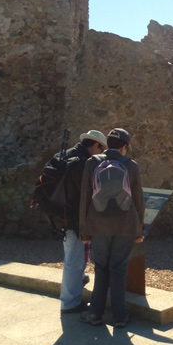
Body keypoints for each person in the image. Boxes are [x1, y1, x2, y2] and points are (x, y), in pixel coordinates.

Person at [79, 128, 145, 328]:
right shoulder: (131, 165)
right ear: (124, 146)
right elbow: (138, 200)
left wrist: (84, 231)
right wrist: (139, 230)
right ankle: (119, 316)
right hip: (125, 226)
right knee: (119, 269)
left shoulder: (92, 163)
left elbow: (85, 197)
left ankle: (94, 314)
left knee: (101, 269)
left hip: (98, 225)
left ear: (107, 144)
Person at [58, 129, 108, 314]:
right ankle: (70, 303)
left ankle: (75, 288)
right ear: (95, 145)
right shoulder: (82, 163)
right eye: (101, 150)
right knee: (74, 260)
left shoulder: (67, 155)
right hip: (73, 218)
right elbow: (86, 195)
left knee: (73, 256)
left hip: (62, 215)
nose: (101, 155)